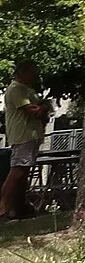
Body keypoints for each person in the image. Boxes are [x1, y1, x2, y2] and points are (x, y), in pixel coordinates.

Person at [3, 60, 51, 220]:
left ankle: (18, 207)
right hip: (22, 135)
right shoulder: (16, 89)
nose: (35, 75)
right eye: (32, 71)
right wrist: (43, 108)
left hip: (32, 135)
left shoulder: (28, 90)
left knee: (24, 173)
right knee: (17, 171)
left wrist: (43, 109)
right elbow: (33, 111)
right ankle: (3, 208)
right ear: (23, 72)